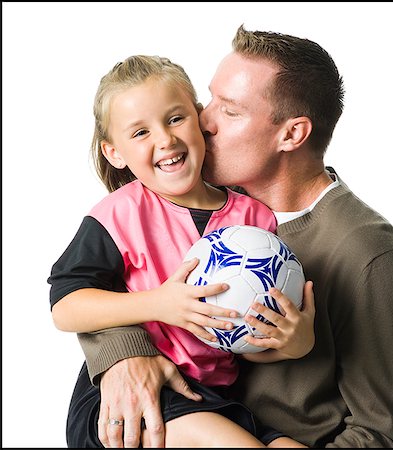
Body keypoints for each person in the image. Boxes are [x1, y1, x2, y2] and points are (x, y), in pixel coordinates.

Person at [68, 25, 393, 448]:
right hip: (181, 417)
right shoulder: (190, 198)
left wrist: (298, 343)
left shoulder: (370, 256)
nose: (204, 121)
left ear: (291, 134)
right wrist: (125, 354)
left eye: (230, 110)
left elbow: (380, 436)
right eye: (210, 100)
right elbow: (95, 288)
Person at [48, 54, 315, 448]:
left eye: (175, 119)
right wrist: (158, 304)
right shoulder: (120, 214)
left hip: (212, 398)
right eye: (140, 133)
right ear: (114, 153)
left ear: (200, 118)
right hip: (130, 397)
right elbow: (66, 307)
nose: (165, 139)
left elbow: (242, 340)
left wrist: (294, 343)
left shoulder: (254, 221)